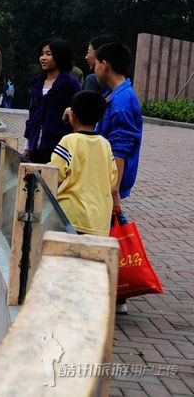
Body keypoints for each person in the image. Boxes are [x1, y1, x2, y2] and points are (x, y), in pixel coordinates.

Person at [94, 39, 143, 315]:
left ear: (106, 64)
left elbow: (120, 149)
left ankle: (117, 292)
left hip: (110, 180)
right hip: (106, 178)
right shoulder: (116, 95)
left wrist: (114, 192)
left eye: (96, 61)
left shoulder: (122, 100)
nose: (94, 66)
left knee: (108, 234)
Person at [50, 91, 118, 236]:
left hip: (69, 216)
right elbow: (112, 180)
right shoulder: (105, 145)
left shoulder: (68, 141)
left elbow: (53, 174)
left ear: (72, 116)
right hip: (99, 220)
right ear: (101, 117)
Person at [23, 38, 81, 163]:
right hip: (35, 148)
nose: (43, 58)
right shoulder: (37, 83)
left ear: (60, 56)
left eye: (48, 54)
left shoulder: (71, 85)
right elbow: (32, 117)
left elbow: (77, 117)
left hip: (59, 149)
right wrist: (27, 145)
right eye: (42, 54)